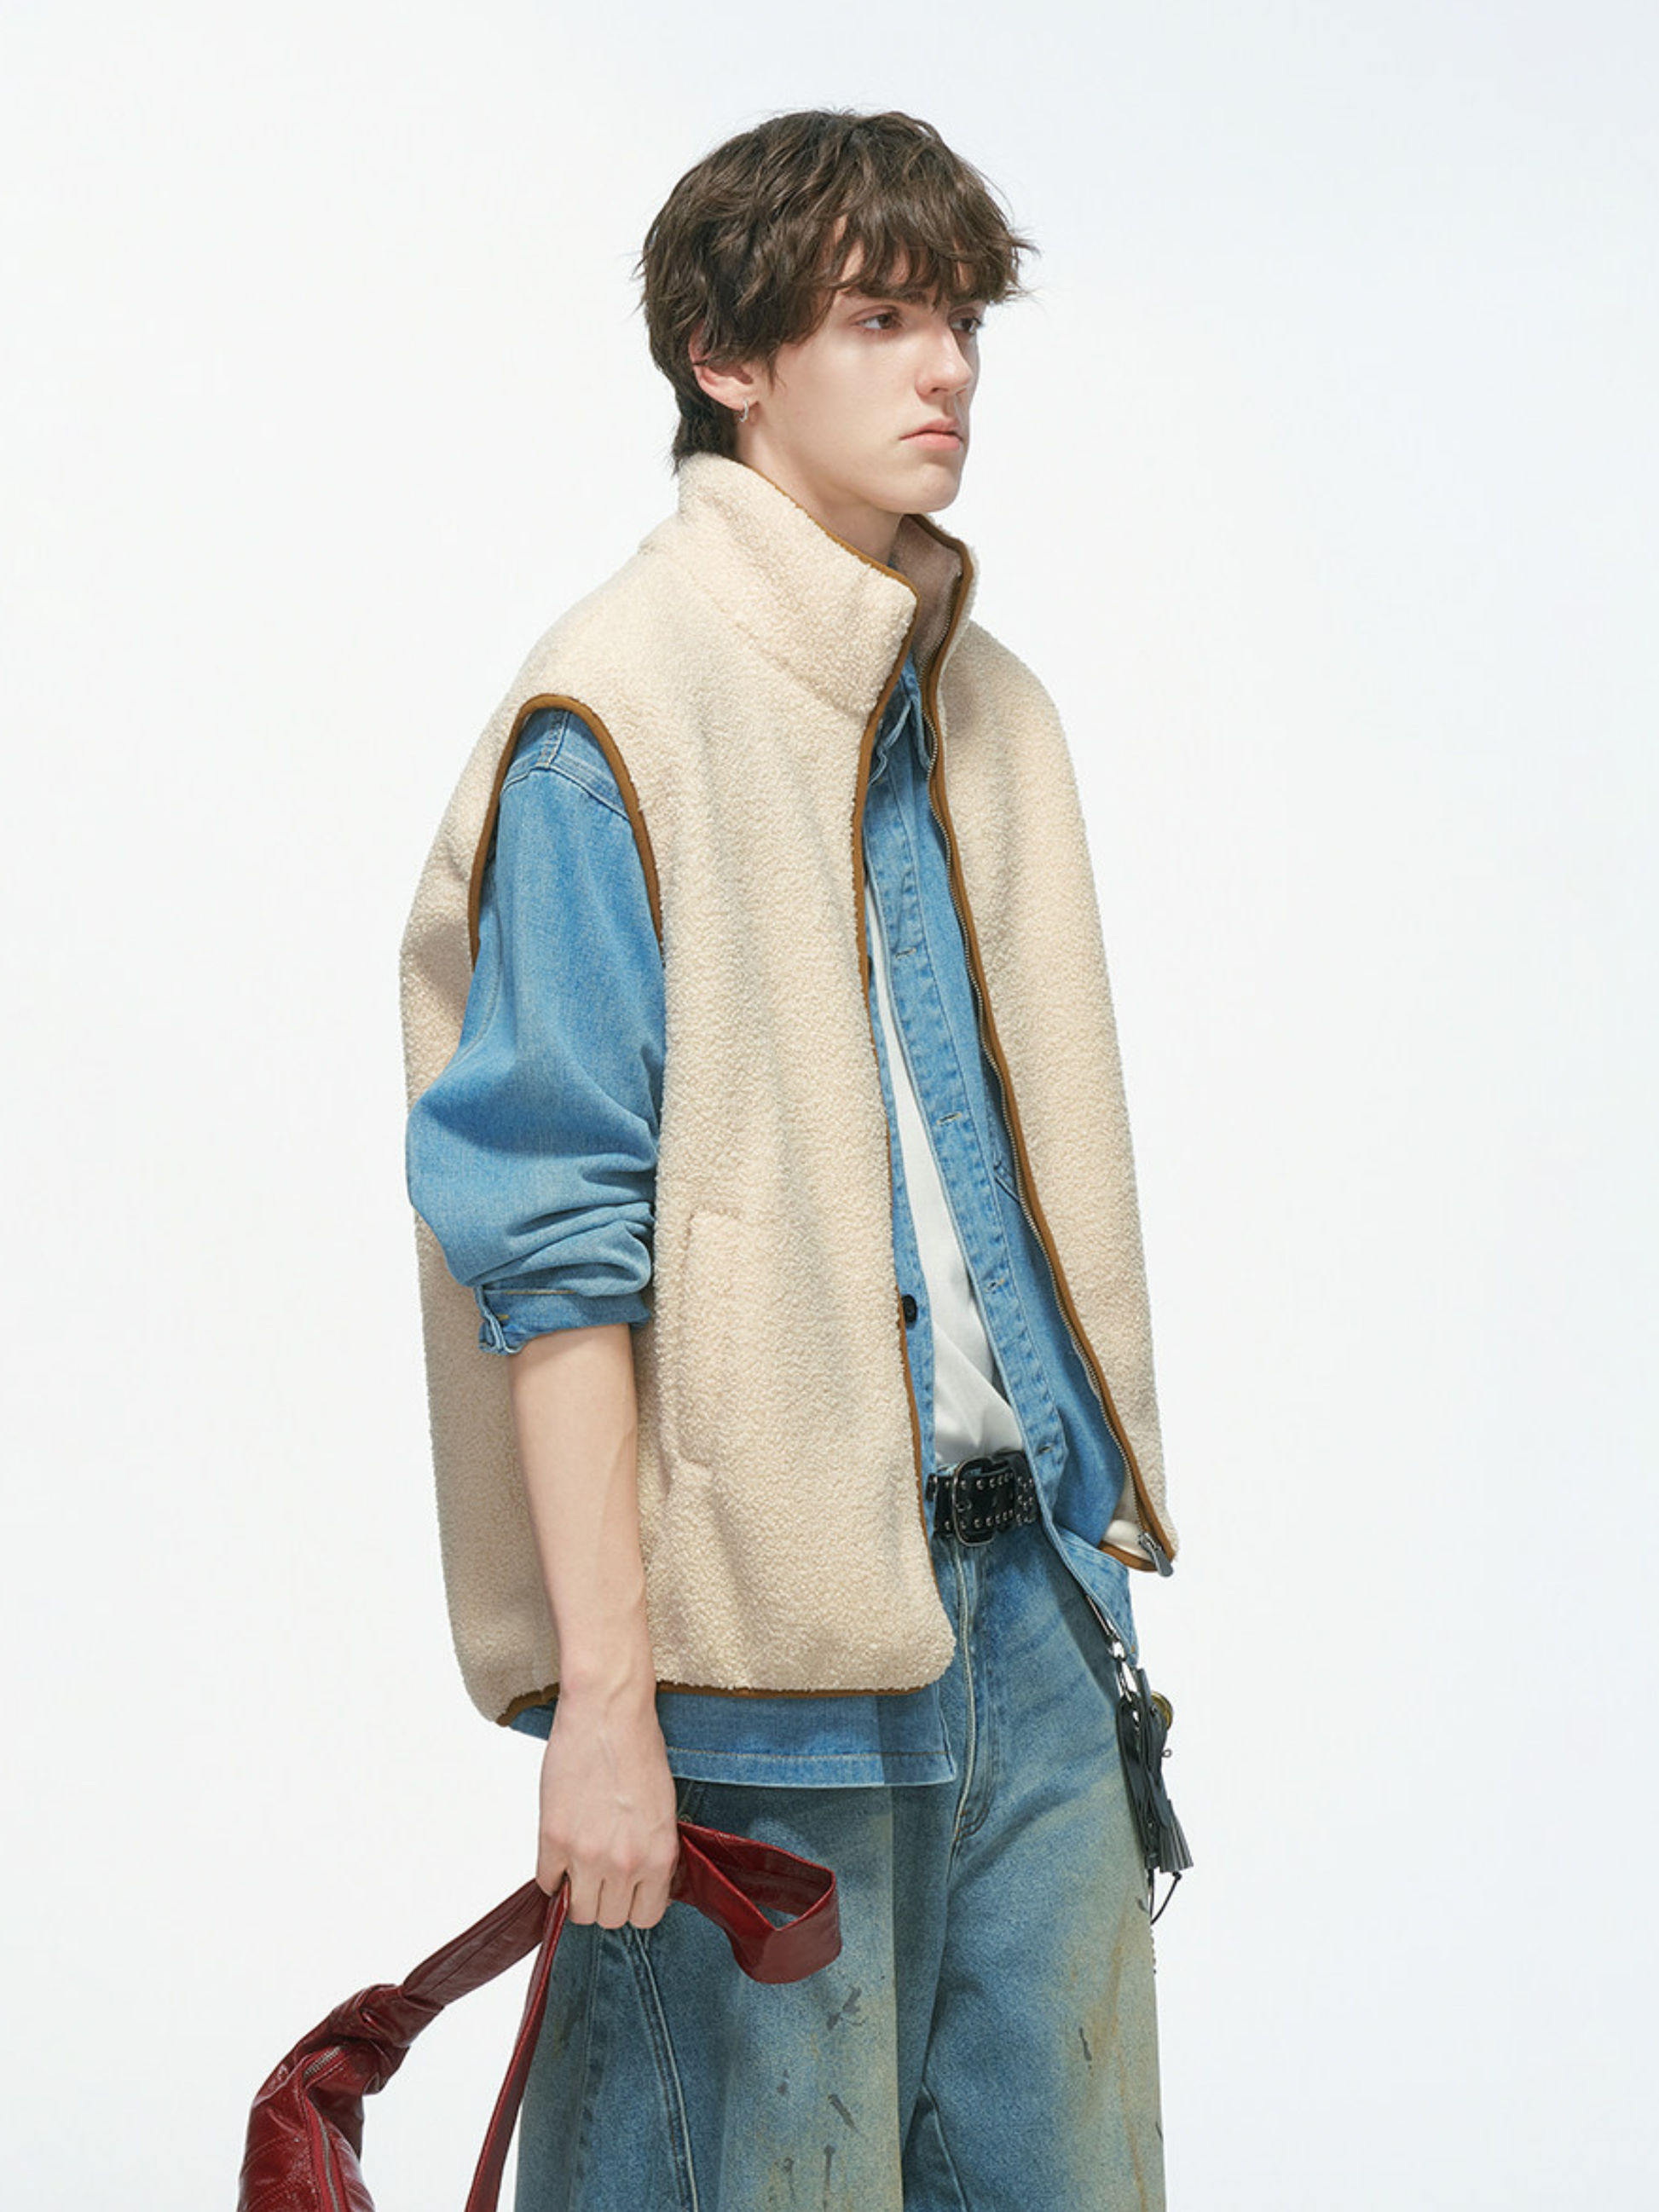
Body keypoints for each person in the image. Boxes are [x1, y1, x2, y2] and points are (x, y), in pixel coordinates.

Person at [402, 107, 1180, 2212]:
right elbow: (555, 1256)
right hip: (754, 1669)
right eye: (879, 318)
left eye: (961, 320)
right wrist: (605, 1709)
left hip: (1032, 1608)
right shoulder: (613, 717)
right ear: (724, 357)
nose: (947, 370)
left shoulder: (988, 710)